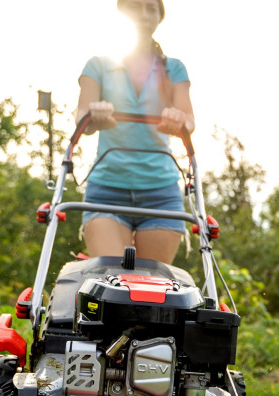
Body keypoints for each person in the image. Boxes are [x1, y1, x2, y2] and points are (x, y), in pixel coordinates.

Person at [75, 0, 195, 264]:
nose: (143, 14)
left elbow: (189, 121)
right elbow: (81, 117)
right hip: (106, 191)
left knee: (152, 285)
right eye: (135, 6)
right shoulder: (98, 66)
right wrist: (95, 115)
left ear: (159, 17)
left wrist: (178, 119)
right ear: (122, 12)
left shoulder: (174, 69)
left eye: (151, 8)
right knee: (111, 278)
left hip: (161, 195)